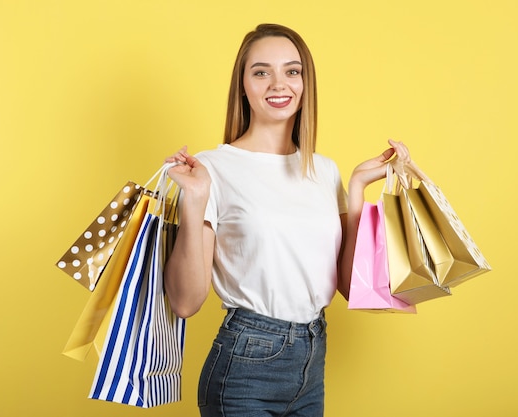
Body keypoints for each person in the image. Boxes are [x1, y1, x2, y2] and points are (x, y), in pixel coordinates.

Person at [164, 23, 411, 417]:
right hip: (245, 363)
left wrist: (357, 189)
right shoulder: (213, 169)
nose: (279, 84)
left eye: (292, 71)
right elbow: (185, 302)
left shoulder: (325, 170)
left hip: (312, 360)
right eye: (261, 72)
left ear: (305, 82)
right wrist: (193, 201)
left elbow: (350, 287)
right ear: (242, 85)